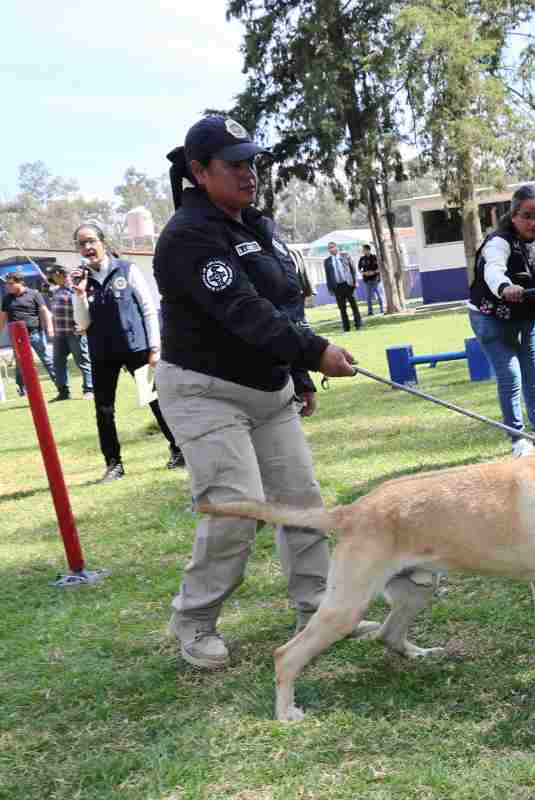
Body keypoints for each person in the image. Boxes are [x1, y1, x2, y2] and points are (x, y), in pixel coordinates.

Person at [155, 114, 375, 670]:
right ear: (200, 171)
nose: (248, 172)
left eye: (251, 162)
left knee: (301, 503)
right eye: (234, 164)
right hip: (204, 391)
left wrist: (299, 374)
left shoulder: (258, 226)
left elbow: (284, 305)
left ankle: (319, 609)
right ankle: (194, 619)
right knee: (234, 508)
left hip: (269, 391)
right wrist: (315, 352)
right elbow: (242, 311)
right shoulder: (188, 236)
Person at [71, 223, 184, 482]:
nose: (87, 247)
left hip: (138, 349)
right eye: (81, 243)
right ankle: (114, 464)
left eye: (91, 241)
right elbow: (82, 324)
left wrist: (155, 348)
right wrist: (78, 294)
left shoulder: (127, 269)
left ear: (102, 242)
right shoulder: (80, 280)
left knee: (155, 400)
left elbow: (148, 309)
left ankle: (179, 450)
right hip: (103, 353)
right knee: (104, 410)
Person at [467, 184, 535, 458]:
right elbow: (493, 270)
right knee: (510, 377)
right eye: (527, 216)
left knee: (533, 374)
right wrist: (504, 287)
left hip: (526, 317)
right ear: (513, 216)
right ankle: (519, 440)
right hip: (490, 317)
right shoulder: (499, 242)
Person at [1, 272, 55, 398]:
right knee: (20, 364)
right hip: (17, 336)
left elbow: (44, 311)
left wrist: (50, 328)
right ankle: (22, 388)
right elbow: (2, 317)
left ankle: (60, 385)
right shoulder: (7, 298)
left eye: (11, 283)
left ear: (20, 282)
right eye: (7, 284)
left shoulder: (34, 294)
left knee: (47, 359)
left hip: (35, 333)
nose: (8, 286)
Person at [47, 266, 93, 401]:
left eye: (53, 275)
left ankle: (89, 390)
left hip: (74, 332)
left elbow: (82, 308)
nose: (52, 278)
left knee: (82, 361)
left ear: (60, 274)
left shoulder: (74, 289)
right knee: (58, 363)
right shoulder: (56, 291)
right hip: (59, 334)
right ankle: (63, 392)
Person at [323, 241, 362, 332]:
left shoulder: (345, 256)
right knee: (342, 308)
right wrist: (330, 289)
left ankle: (358, 324)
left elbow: (353, 269)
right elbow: (328, 276)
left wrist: (355, 281)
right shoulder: (327, 261)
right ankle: (346, 327)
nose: (331, 249)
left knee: (354, 305)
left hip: (348, 284)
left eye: (333, 247)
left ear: (336, 247)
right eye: (329, 248)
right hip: (337, 287)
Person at [358, 243, 384, 316]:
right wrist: (364, 273)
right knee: (368, 297)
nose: (363, 251)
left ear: (368, 250)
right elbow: (359, 269)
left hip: (375, 279)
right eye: (362, 250)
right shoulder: (362, 259)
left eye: (364, 250)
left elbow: (380, 267)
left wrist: (374, 272)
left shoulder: (375, 257)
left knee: (379, 295)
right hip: (366, 280)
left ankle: (382, 309)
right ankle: (370, 311)